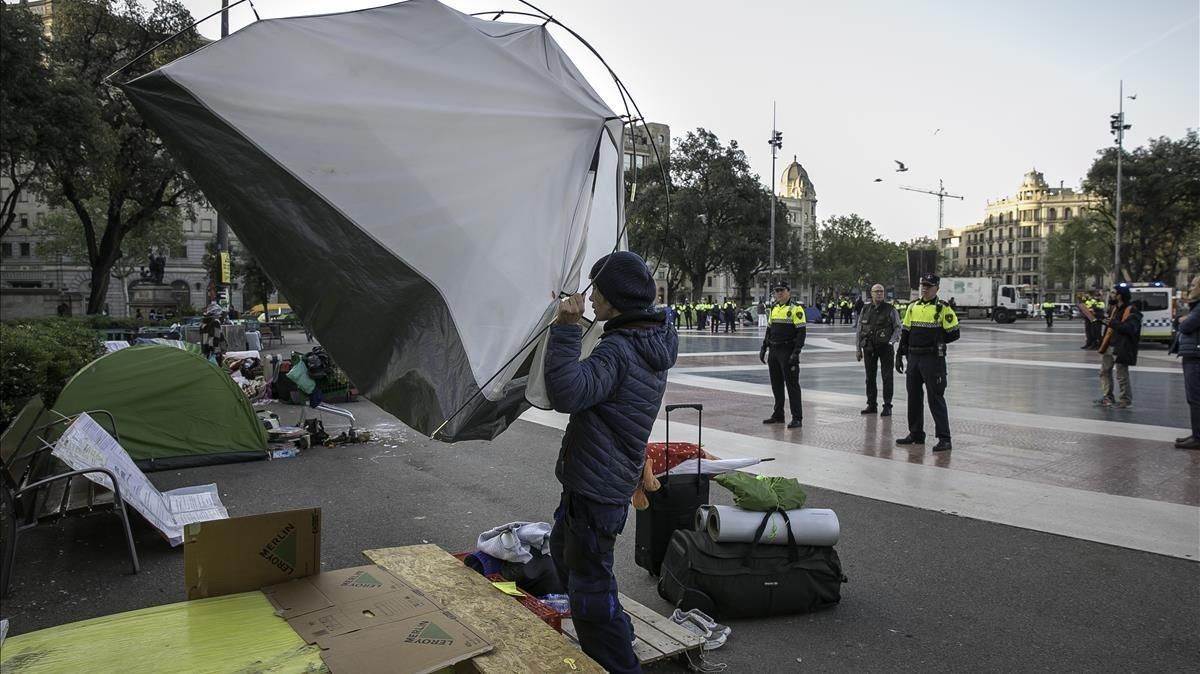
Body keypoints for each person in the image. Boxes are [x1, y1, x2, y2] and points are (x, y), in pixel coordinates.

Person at [544, 250, 677, 673]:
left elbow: (569, 392)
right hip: (599, 476)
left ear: (614, 297)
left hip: (597, 485)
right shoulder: (648, 336)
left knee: (589, 587)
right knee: (564, 550)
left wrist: (566, 329)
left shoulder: (621, 348)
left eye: (596, 288)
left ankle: (617, 659)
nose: (591, 296)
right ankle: (617, 629)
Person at [896, 273, 960, 452]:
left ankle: (944, 438)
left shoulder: (943, 308)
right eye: (922, 286)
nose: (924, 289)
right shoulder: (912, 307)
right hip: (914, 358)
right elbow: (906, 332)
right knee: (913, 398)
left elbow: (954, 333)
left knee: (935, 398)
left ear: (937, 289)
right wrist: (899, 354)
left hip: (933, 359)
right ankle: (916, 433)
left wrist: (938, 341)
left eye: (928, 286)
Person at [759, 282, 806, 429]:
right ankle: (778, 414)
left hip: (787, 350)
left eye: (782, 290)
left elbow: (801, 333)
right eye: (777, 290)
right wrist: (764, 347)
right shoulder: (774, 308)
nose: (779, 293)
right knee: (776, 384)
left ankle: (797, 417)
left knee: (792, 385)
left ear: (788, 292)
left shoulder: (796, 309)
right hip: (774, 350)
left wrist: (796, 352)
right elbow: (769, 329)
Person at [856, 284, 902, 416]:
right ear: (871, 293)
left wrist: (891, 342)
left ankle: (887, 406)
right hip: (869, 347)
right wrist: (858, 349)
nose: (879, 294)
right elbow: (859, 330)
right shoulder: (865, 309)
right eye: (877, 291)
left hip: (885, 348)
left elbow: (898, 327)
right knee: (869, 378)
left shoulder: (890, 309)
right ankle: (871, 404)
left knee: (887, 377)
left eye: (881, 291)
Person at [1096, 284, 1142, 409]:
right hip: (1110, 344)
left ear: (1119, 295)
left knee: (1121, 374)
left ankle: (1125, 400)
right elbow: (1112, 325)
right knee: (1104, 371)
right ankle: (1108, 397)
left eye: (1112, 293)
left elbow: (1131, 328)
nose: (1110, 295)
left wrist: (1112, 323)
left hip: (1122, 346)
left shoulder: (1132, 310)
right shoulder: (1114, 308)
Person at [1169, 276, 1200, 449]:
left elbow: (1185, 326)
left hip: (1195, 356)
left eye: (1194, 285)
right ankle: (1196, 434)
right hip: (1193, 354)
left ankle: (1198, 437)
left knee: (1195, 398)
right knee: (1194, 398)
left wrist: (1182, 320)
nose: (1191, 287)